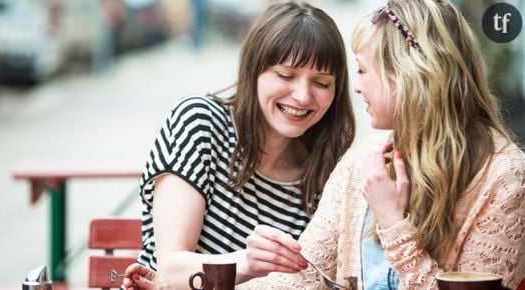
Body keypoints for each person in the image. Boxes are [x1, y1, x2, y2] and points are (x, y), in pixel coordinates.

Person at [238, 0, 525, 289]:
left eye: (363, 70)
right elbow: (301, 277)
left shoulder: (505, 176)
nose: (356, 86)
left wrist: (393, 224)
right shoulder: (364, 158)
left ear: (406, 76)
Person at [122, 1, 356, 289]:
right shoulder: (200, 122)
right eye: (286, 75)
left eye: (321, 82)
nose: (302, 96)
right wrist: (247, 263)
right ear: (254, 70)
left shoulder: (326, 170)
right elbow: (170, 268)